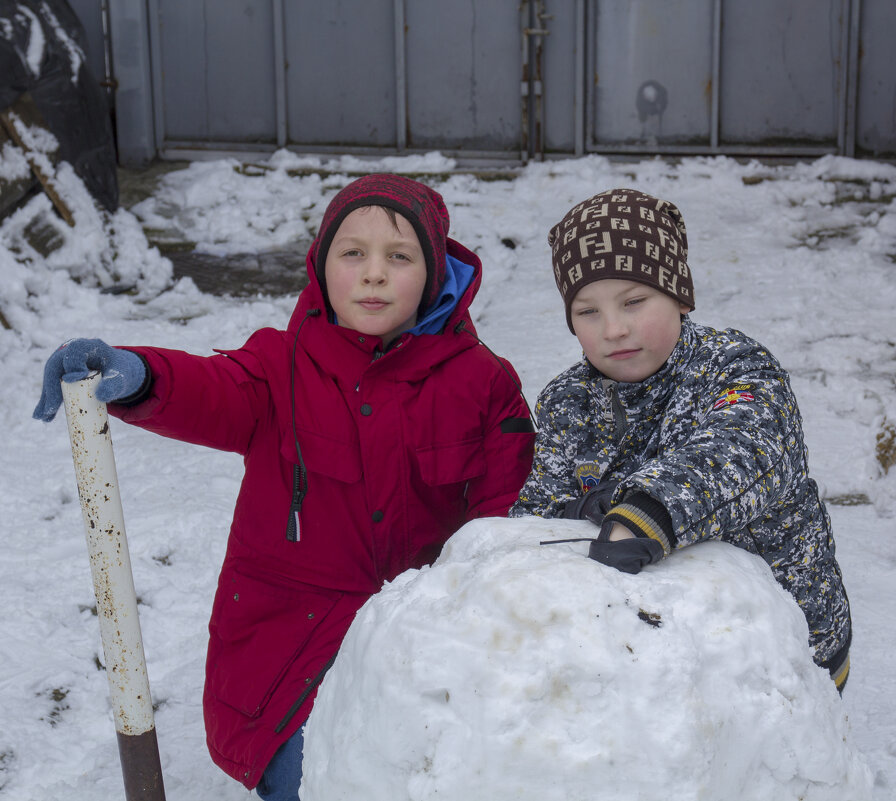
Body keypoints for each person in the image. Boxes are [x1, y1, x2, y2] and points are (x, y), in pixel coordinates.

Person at [33, 174, 536, 799]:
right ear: (321, 266)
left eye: (399, 257)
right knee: (314, 781)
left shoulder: (483, 384)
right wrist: (138, 374)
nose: (373, 274)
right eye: (352, 253)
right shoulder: (280, 367)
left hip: (421, 638)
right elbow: (212, 390)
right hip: (293, 643)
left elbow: (506, 520)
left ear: (434, 277)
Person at [510, 187, 851, 691]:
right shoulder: (568, 400)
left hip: (781, 651)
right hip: (647, 659)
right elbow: (535, 514)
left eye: (634, 301)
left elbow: (744, 449)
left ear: (679, 295)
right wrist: (579, 512)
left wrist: (647, 510)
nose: (614, 329)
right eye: (588, 312)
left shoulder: (733, 365)